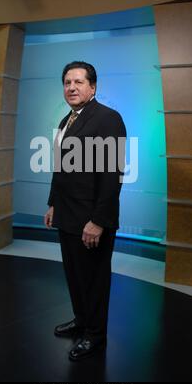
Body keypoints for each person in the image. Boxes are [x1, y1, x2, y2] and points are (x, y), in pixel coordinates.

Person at [44, 61, 126, 361]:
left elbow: (111, 176)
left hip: (91, 221)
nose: (71, 87)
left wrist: (98, 221)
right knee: (74, 276)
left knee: (93, 280)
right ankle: (82, 320)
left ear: (93, 87)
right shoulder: (68, 119)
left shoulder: (108, 119)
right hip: (66, 215)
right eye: (67, 82)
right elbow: (60, 169)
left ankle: (95, 336)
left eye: (78, 82)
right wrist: (53, 203)